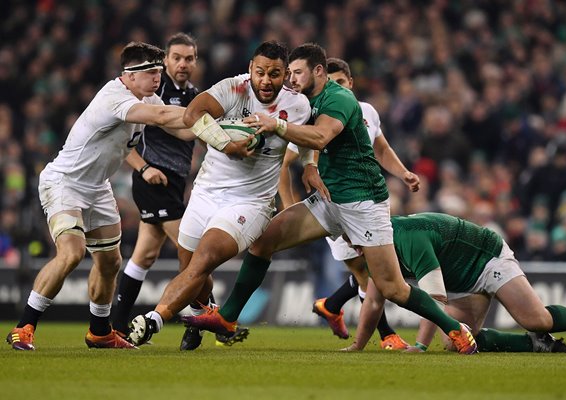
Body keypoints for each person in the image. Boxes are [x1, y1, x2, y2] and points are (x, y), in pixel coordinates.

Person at [175, 42, 478, 355]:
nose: (290, 80)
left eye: (296, 73)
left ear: (317, 71)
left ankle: (454, 327)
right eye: (288, 73)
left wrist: (277, 125)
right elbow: (303, 140)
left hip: (363, 203)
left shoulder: (340, 99)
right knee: (263, 242)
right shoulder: (304, 99)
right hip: (328, 199)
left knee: (393, 288)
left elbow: (320, 136)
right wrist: (309, 165)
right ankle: (227, 318)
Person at [5, 41, 216, 351]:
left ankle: (100, 332)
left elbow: (183, 129)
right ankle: (24, 326)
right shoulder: (114, 97)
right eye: (150, 72)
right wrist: (209, 114)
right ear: (129, 75)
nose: (157, 78)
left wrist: (219, 130)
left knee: (110, 262)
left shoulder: (147, 95)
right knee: (72, 253)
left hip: (98, 187)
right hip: (65, 183)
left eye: (159, 72)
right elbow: (160, 115)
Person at [127, 40, 313, 347]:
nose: (266, 80)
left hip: (250, 201)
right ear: (251, 69)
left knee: (206, 258)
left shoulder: (297, 105)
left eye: (275, 74)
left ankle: (154, 319)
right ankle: (205, 314)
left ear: (284, 75)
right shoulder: (233, 88)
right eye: (261, 72)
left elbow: (305, 139)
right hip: (207, 191)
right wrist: (228, 145)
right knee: (189, 268)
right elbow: (192, 115)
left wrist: (309, 166)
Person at [278, 57, 420, 350]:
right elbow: (287, 163)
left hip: (366, 200)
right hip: (335, 205)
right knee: (366, 272)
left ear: (351, 83)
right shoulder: (315, 114)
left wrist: (403, 172)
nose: (336, 87)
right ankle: (385, 334)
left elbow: (381, 149)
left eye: (341, 82)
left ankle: (332, 305)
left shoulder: (366, 111)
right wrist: (290, 205)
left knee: (376, 271)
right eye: (331, 82)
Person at [345, 212, 566, 353]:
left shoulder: (409, 239)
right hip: (457, 279)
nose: (354, 248)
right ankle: (535, 343)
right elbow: (373, 300)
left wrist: (421, 346)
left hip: (486, 258)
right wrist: (358, 345)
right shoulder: (377, 247)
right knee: (453, 341)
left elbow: (435, 299)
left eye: (354, 241)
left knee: (537, 320)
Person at [108, 33, 212, 349]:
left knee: (145, 255)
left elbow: (198, 135)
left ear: (196, 61)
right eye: (177, 57)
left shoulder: (195, 95)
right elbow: (121, 140)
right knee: (191, 251)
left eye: (189, 58)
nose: (183, 64)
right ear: (165, 59)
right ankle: (201, 319)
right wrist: (143, 168)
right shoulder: (154, 90)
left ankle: (116, 326)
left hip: (175, 182)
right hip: (153, 179)